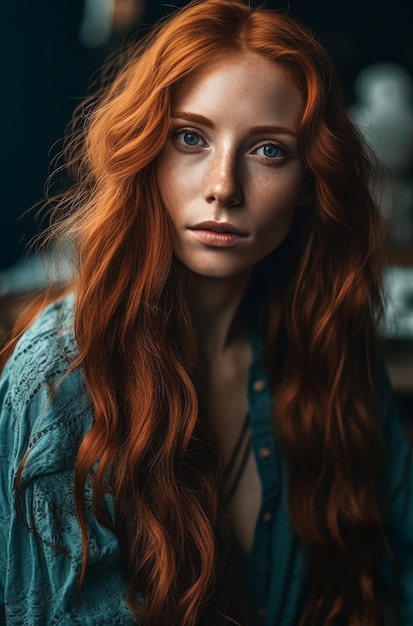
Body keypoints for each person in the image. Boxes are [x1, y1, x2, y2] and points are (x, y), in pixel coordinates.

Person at [0, 0, 412, 624]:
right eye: (190, 138)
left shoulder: (330, 348)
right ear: (145, 155)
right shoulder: (59, 383)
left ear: (309, 183)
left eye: (269, 151)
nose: (223, 185)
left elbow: (396, 577)